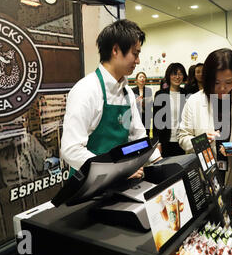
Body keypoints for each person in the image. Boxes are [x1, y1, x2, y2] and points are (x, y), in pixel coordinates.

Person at [61, 19, 161, 179]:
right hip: (88, 185)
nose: (138, 61)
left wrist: (159, 161)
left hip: (118, 182)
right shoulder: (86, 90)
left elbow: (138, 135)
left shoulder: (127, 92)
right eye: (135, 54)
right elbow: (70, 149)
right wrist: (117, 170)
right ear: (115, 50)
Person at [178, 48, 232, 188]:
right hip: (205, 176)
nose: (222, 88)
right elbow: (183, 137)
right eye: (216, 83)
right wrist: (201, 141)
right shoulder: (194, 101)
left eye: (228, 82)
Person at [153, 63, 188, 157]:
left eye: (180, 74)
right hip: (165, 141)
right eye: (174, 74)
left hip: (183, 140)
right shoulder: (160, 94)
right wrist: (157, 143)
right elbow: (156, 122)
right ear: (169, 76)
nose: (177, 77)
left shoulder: (187, 94)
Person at [132, 71, 153, 136]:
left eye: (143, 77)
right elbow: (131, 103)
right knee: (137, 133)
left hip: (146, 115)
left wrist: (145, 102)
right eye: (140, 77)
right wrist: (136, 101)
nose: (142, 79)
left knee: (147, 132)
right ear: (137, 79)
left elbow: (151, 102)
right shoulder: (133, 90)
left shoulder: (148, 90)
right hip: (137, 115)